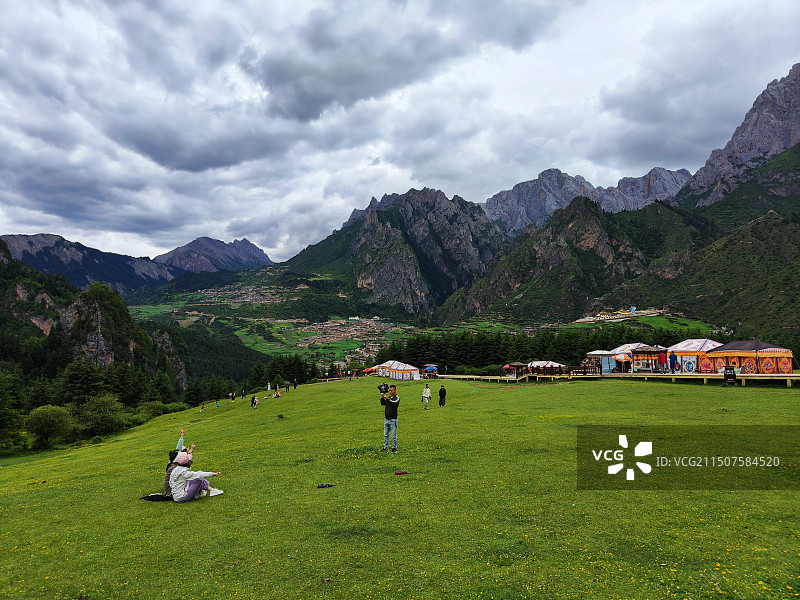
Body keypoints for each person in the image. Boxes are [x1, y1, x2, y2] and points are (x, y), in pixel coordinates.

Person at [380, 384, 400, 453]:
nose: (390, 392)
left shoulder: (397, 398)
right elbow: (383, 404)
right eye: (389, 391)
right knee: (386, 435)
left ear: (394, 390)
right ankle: (385, 447)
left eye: (391, 391)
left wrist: (387, 399)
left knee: (393, 435)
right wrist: (382, 398)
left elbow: (393, 404)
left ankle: (394, 448)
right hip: (387, 419)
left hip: (393, 419)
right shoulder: (389, 398)